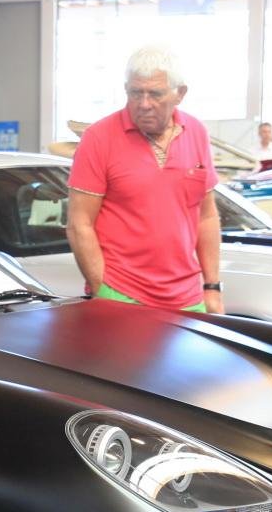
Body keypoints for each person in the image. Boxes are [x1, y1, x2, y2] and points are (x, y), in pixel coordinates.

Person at [66, 45, 222, 313]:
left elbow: (206, 217)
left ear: (180, 93)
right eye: (135, 93)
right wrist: (102, 289)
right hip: (122, 295)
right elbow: (79, 223)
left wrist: (212, 287)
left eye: (155, 94)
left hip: (188, 298)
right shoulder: (99, 138)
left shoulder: (196, 132)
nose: (144, 104)